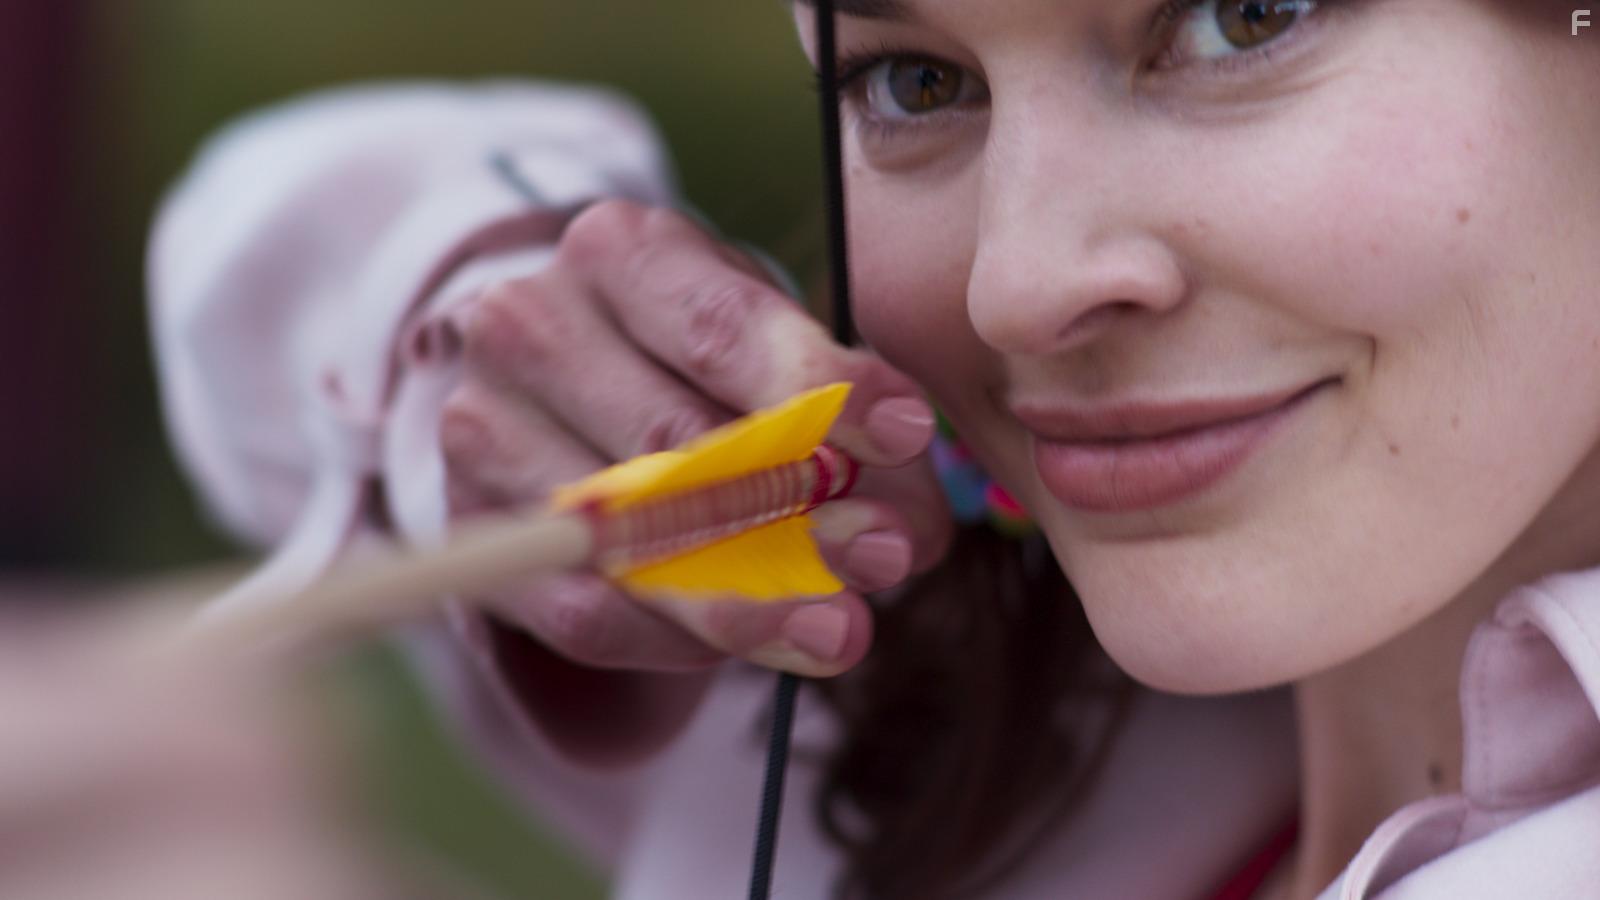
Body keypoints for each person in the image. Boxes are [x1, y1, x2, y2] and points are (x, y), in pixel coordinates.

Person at [146, 2, 1600, 898]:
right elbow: (260, 228)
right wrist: (500, 319)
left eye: (1243, 12)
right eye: (913, 81)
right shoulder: (898, 667)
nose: (1015, 285)